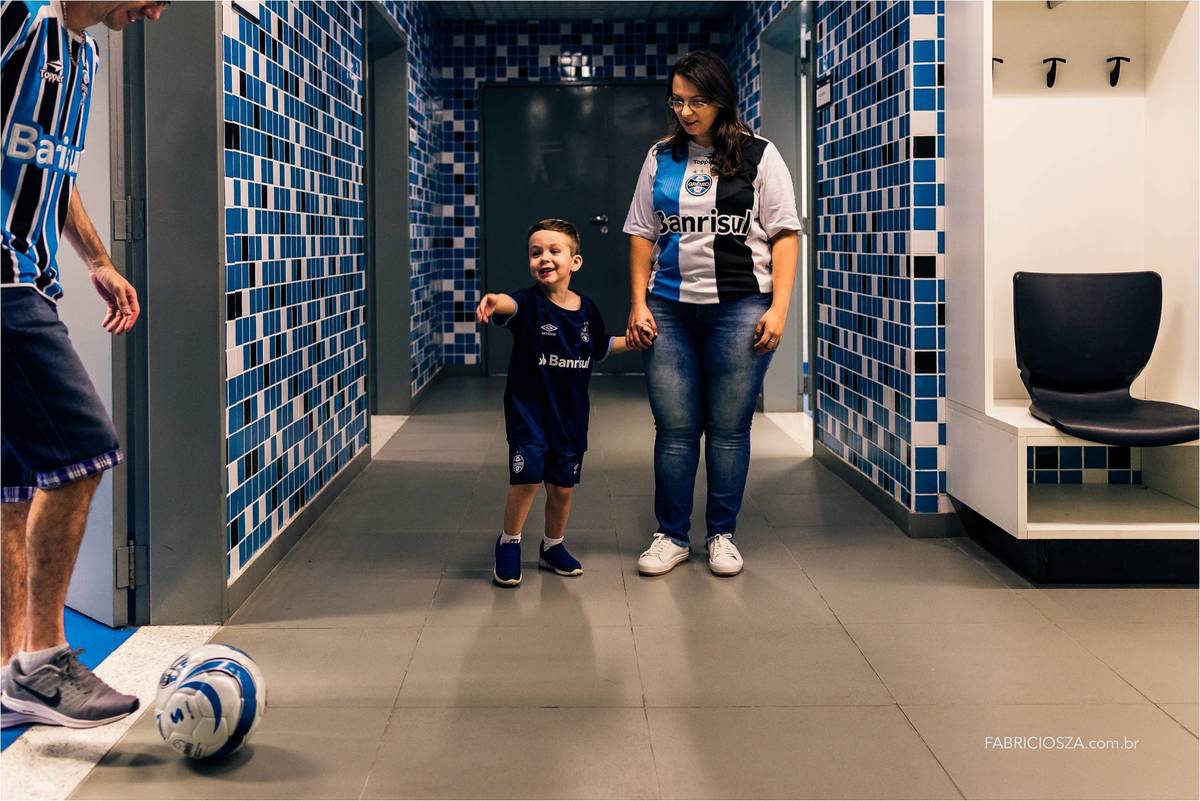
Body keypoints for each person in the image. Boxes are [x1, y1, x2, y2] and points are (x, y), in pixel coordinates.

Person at [1, 0, 169, 729]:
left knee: (13, 486)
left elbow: (54, 167)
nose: (157, 12)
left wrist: (97, 258)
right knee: (84, 451)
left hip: (32, 276)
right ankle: (45, 663)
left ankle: (11, 672)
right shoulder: (18, 15)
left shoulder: (86, 57)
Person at [622, 49, 801, 578]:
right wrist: (637, 302)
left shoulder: (760, 155)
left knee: (727, 428)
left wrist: (780, 309)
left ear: (721, 99)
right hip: (669, 309)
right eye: (677, 101)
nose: (686, 111)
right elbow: (640, 232)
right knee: (675, 429)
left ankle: (722, 534)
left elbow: (786, 235)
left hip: (742, 307)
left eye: (697, 101)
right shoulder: (660, 156)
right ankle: (671, 536)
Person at [476, 219, 637, 587]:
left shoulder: (587, 310)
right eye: (536, 253)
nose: (544, 259)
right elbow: (508, 305)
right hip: (528, 413)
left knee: (562, 488)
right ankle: (509, 543)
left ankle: (552, 546)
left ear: (574, 262)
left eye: (554, 251)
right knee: (527, 479)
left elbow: (601, 348)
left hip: (570, 417)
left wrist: (636, 340)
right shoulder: (527, 302)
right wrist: (493, 301)